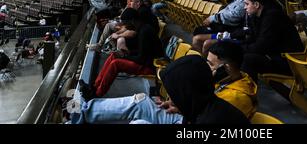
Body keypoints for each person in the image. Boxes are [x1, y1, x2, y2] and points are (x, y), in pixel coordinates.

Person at [70, 43, 256, 124]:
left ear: (228, 68)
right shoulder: (221, 80)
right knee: (141, 101)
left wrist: (182, 106)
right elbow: (202, 105)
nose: (207, 68)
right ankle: (81, 112)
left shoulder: (237, 98)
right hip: (188, 117)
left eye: (211, 64)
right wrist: (179, 105)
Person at [79, 8, 163, 98]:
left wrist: (124, 56)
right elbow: (142, 51)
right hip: (145, 61)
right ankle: (94, 87)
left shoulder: (144, 32)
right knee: (113, 55)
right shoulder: (142, 28)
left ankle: (96, 94)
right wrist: (127, 53)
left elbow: (142, 59)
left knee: (116, 64)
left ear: (132, 21)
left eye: (126, 23)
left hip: (149, 66)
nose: (125, 26)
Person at [226, 0, 304, 82]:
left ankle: (244, 91)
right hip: (274, 56)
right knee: (238, 52)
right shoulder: (258, 16)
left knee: (248, 59)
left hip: (288, 63)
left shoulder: (273, 16)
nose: (244, 7)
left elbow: (260, 47)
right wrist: (236, 46)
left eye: (247, 4)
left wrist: (239, 49)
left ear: (256, 4)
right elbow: (253, 38)